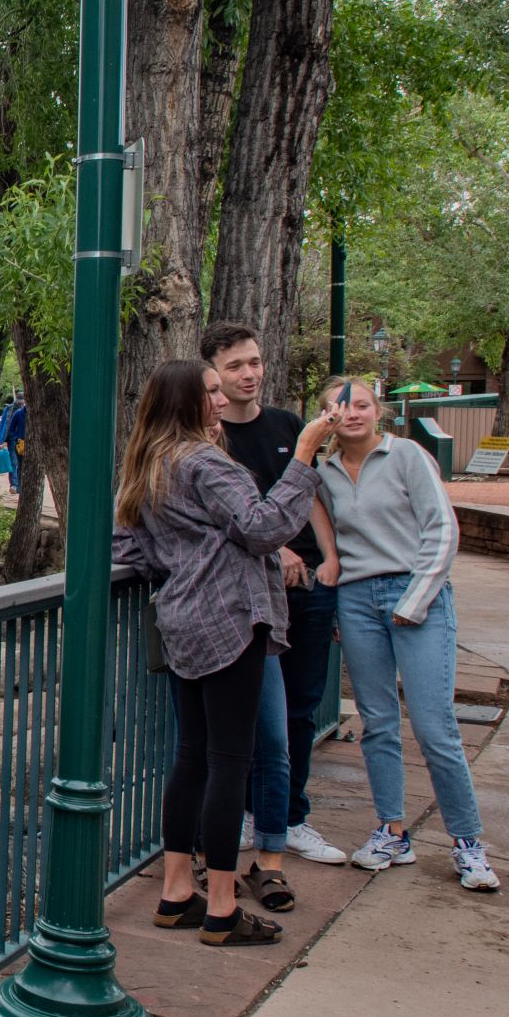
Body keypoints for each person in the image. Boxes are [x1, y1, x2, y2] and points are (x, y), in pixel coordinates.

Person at [114, 359, 334, 947]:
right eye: (210, 391)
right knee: (230, 761)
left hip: (183, 621)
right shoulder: (204, 462)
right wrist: (305, 454)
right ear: (187, 402)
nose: (220, 401)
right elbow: (264, 528)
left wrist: (185, 562)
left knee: (192, 756)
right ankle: (221, 908)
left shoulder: (147, 464)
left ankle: (175, 892)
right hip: (234, 620)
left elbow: (127, 545)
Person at [313, 375, 501, 892]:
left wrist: (415, 601)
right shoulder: (323, 471)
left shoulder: (408, 456)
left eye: (361, 404)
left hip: (416, 596)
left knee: (435, 726)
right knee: (377, 721)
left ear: (379, 410)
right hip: (355, 599)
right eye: (337, 406)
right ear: (325, 415)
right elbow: (314, 519)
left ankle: (468, 843)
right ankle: (392, 831)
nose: (350, 414)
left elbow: (442, 528)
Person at [199, 323, 348, 887]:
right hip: (251, 595)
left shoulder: (288, 425)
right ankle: (245, 818)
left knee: (300, 709)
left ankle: (288, 819)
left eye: (255, 362)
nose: (249, 374)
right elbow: (242, 517)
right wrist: (277, 547)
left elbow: (303, 492)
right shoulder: (212, 442)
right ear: (214, 374)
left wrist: (328, 557)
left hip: (307, 587)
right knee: (249, 718)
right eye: (235, 366)